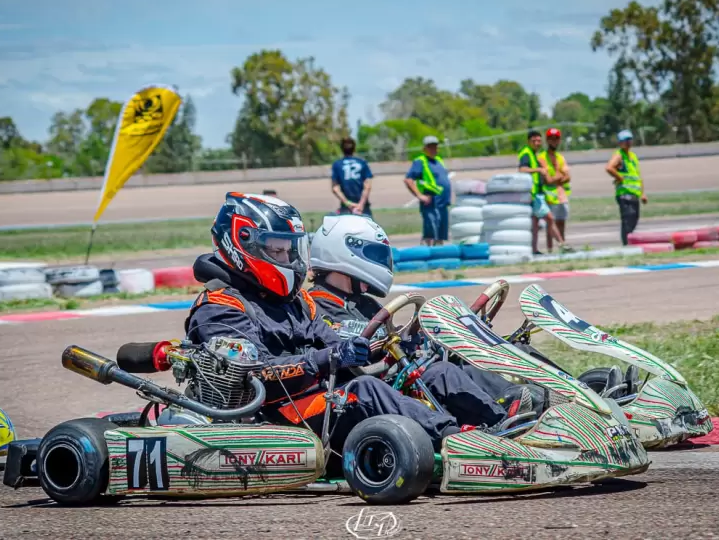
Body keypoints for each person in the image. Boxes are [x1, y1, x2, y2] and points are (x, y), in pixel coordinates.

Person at [184, 192, 460, 453]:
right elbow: (256, 376)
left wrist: (386, 347)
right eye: (277, 251)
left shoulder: (297, 301)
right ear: (241, 244)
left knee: (434, 373)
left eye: (289, 250)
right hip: (271, 416)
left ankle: (492, 427)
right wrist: (326, 358)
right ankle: (455, 442)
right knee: (365, 390)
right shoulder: (220, 307)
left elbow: (334, 344)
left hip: (316, 401)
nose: (287, 259)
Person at [307, 213, 545, 428]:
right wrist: (398, 339)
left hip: (399, 375)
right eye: (374, 254)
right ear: (344, 252)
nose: (380, 261)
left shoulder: (363, 302)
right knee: (441, 373)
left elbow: (390, 333)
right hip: (368, 391)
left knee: (462, 359)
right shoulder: (316, 305)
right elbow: (347, 342)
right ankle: (502, 421)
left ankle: (540, 398)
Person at [517, 129, 571, 255]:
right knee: (550, 219)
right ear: (528, 141)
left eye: (539, 141)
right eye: (534, 140)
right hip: (534, 194)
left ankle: (534, 249)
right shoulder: (526, 154)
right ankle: (562, 245)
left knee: (536, 223)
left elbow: (567, 176)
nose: (537, 143)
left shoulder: (534, 154)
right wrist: (539, 170)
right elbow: (522, 169)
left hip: (536, 194)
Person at [404, 135, 452, 247]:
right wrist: (420, 196)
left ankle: (439, 255)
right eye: (430, 147)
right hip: (431, 202)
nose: (433, 149)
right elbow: (408, 180)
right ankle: (427, 252)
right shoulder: (420, 162)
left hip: (442, 202)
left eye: (435, 146)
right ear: (424, 148)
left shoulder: (439, 160)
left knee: (441, 232)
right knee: (431, 229)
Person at [605, 129, 647, 245]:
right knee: (628, 220)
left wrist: (642, 193)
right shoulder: (619, 155)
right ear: (620, 143)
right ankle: (626, 243)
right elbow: (609, 168)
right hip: (624, 193)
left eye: (629, 140)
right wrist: (620, 178)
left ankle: (629, 240)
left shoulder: (633, 156)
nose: (628, 142)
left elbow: (638, 176)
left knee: (635, 218)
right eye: (625, 140)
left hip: (634, 193)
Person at [539, 128, 572, 252]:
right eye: (551, 138)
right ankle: (550, 249)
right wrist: (560, 175)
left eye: (556, 138)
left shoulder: (560, 157)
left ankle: (563, 248)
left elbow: (568, 177)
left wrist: (558, 177)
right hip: (549, 195)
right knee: (550, 224)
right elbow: (548, 180)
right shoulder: (542, 157)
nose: (554, 141)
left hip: (561, 195)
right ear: (547, 140)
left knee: (561, 223)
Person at [330, 137, 373, 217]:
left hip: (346, 207)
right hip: (363, 207)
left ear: (342, 149)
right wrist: (361, 205)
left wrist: (348, 204)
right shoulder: (362, 163)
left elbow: (335, 188)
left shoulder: (337, 164)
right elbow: (367, 186)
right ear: (354, 148)